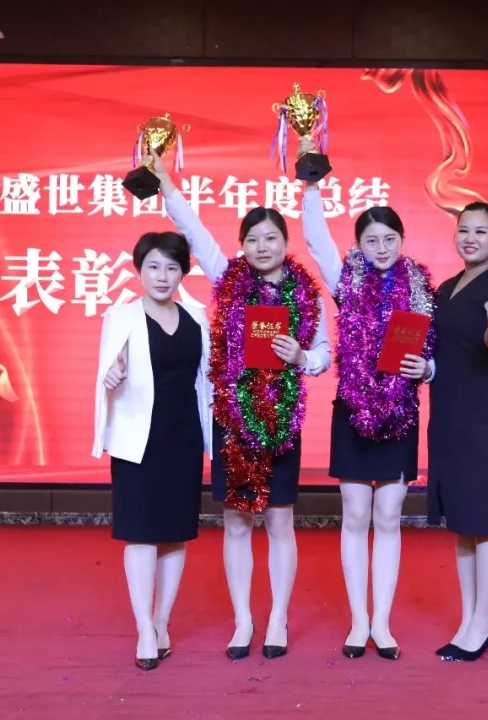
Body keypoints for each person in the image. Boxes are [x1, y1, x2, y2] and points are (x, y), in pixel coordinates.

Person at [143, 151, 331, 661]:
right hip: (232, 420)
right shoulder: (228, 279)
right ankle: (243, 620)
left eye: (270, 238)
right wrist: (166, 184)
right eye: (252, 239)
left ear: (285, 243)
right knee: (235, 523)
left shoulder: (306, 295)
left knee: (280, 522)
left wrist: (302, 357)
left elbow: (323, 354)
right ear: (242, 246)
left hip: (282, 423)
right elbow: (195, 232)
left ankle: (278, 618)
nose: (261, 246)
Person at [296, 139, 436, 660]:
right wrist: (312, 186)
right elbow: (316, 242)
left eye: (389, 238)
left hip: (400, 414)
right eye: (371, 239)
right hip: (353, 412)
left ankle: (383, 622)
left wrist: (428, 369)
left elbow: (436, 353)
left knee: (390, 516)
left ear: (402, 240)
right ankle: (358, 621)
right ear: (358, 244)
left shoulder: (421, 288)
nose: (381, 247)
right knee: (355, 515)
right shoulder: (347, 280)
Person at [91, 231, 214, 671]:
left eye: (172, 267)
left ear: (184, 272)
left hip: (183, 437)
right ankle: (144, 627)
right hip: (136, 441)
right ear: (139, 270)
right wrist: (112, 374)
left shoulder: (197, 317)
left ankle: (162, 622)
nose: (162, 276)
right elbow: (110, 368)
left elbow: (207, 382)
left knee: (175, 533)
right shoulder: (121, 316)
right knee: (141, 533)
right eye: (153, 267)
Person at [427, 201, 488, 662]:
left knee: (484, 522)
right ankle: (469, 620)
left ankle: (485, 621)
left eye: (481, 231)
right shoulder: (446, 288)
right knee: (464, 525)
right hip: (449, 414)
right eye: (464, 230)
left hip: (484, 417)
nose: (470, 238)